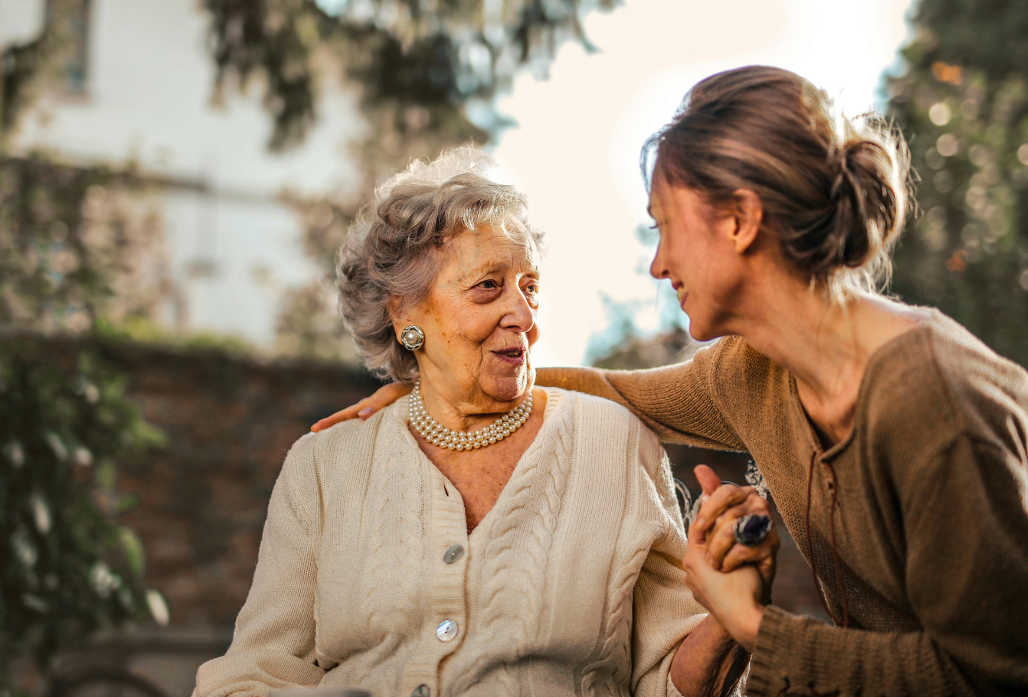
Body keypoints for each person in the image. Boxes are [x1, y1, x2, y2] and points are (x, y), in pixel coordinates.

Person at [314, 67, 1028, 696]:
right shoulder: (753, 373)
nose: (658, 264)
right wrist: (441, 385)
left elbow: (992, 675)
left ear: (740, 221)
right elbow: (615, 391)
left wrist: (751, 623)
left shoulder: (932, 403)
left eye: (664, 226)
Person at [194, 149, 777, 697]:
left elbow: (669, 683)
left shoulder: (615, 444)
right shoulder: (324, 465)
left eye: (531, 288)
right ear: (404, 311)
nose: (523, 315)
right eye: (488, 287)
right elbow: (253, 676)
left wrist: (730, 617)